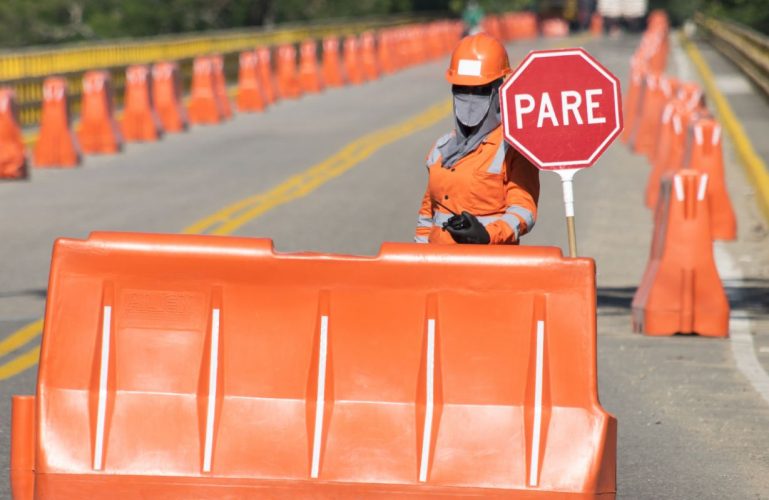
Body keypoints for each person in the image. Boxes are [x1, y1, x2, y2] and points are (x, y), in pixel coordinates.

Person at [414, 33, 540, 245]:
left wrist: (487, 235)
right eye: (462, 90)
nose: (470, 100)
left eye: (480, 91)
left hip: (489, 267)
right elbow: (428, 213)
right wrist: (417, 259)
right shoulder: (442, 148)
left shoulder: (514, 148)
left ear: (499, 92)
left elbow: (524, 210)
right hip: (438, 266)